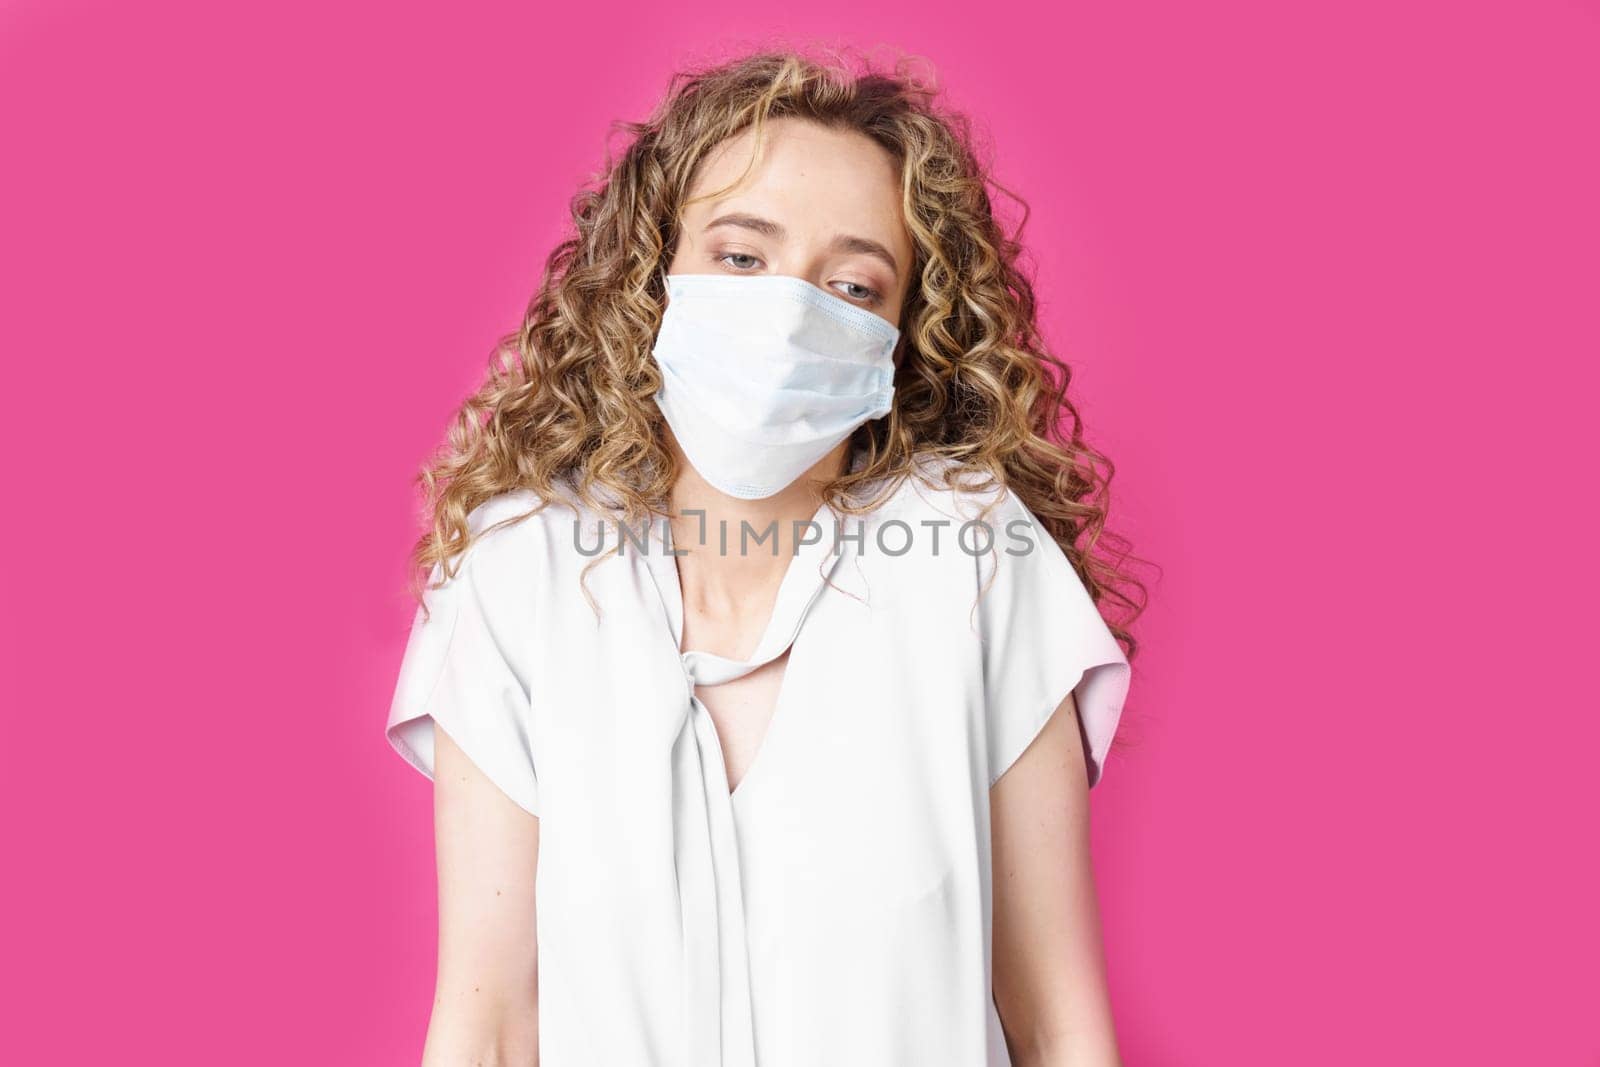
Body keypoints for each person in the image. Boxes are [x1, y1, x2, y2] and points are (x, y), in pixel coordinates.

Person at [385, 46, 1146, 1067]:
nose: (791, 314)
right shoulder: (520, 575)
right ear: (652, 273)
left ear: (903, 337)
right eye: (741, 258)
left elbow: (1057, 1023)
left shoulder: (973, 556)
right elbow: (487, 1027)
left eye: (852, 283)